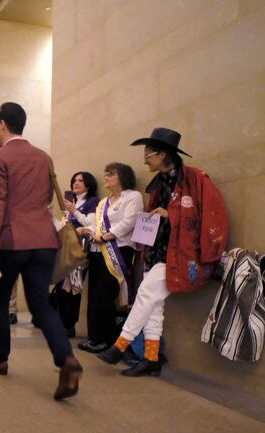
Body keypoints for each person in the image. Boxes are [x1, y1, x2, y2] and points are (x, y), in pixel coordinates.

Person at [98, 128, 229, 376]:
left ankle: (120, 345)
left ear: (163, 154)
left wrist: (171, 215)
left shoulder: (195, 179)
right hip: (156, 252)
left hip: (181, 254)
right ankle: (151, 358)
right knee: (154, 305)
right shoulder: (157, 185)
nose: (145, 159)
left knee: (146, 295)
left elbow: (212, 214)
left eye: (148, 155)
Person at [0, 102, 83, 401]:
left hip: (11, 241)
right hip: (44, 241)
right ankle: (66, 359)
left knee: (0, 299)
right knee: (41, 304)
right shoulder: (43, 157)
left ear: (2, 125)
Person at [77, 163, 142, 353]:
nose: (105, 177)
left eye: (110, 174)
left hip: (119, 250)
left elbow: (130, 221)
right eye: (105, 173)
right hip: (98, 251)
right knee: (93, 296)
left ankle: (104, 339)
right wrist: (88, 230)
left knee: (105, 295)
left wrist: (106, 236)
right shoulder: (103, 202)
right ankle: (94, 337)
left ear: (122, 176)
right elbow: (97, 224)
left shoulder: (133, 196)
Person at [56, 171, 100, 337]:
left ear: (88, 184)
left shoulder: (92, 201)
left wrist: (74, 211)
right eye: (74, 180)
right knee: (61, 287)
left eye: (80, 180)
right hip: (65, 249)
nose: (76, 183)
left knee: (73, 288)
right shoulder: (72, 201)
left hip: (79, 250)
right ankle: (61, 322)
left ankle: (69, 325)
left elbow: (91, 224)